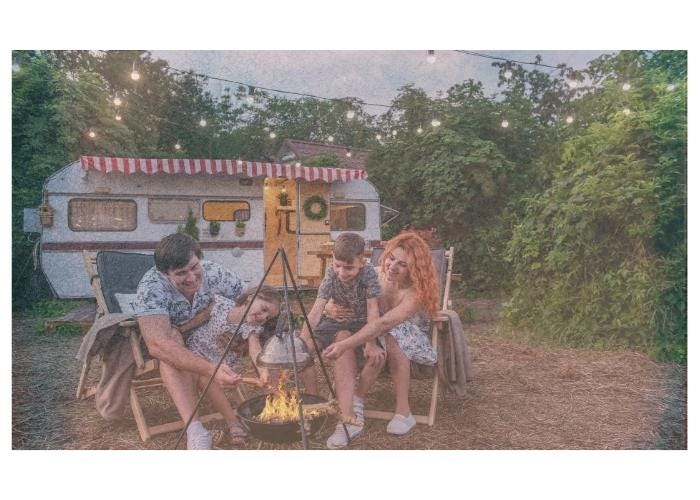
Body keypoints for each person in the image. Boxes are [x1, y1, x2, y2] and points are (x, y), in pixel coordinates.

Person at [134, 233, 245, 450]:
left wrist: (238, 331)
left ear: (199, 258)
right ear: (165, 274)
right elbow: (158, 344)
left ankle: (230, 422)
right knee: (171, 345)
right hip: (171, 340)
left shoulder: (215, 272)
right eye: (181, 273)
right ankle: (196, 433)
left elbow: (248, 299)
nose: (192, 277)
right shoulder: (151, 288)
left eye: (194, 267)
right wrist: (211, 369)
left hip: (206, 335)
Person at [323, 232, 439, 437]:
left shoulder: (415, 293)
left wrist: (346, 345)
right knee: (345, 331)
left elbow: (385, 323)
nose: (392, 266)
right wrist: (329, 307)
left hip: (408, 338)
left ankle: (403, 412)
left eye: (402, 264)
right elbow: (339, 295)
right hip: (372, 331)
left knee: (393, 335)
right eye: (391, 258)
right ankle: (354, 402)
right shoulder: (373, 274)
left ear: (414, 269)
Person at [298, 232, 383, 449]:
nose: (342, 272)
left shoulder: (369, 275)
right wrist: (299, 343)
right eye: (337, 266)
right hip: (333, 322)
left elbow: (374, 311)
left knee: (354, 347)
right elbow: (317, 310)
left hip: (361, 325)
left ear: (361, 261)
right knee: (304, 350)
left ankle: (348, 420)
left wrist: (371, 342)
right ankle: (313, 403)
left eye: (348, 267)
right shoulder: (331, 274)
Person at [185, 286, 281, 445]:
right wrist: (180, 330)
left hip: (219, 363)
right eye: (263, 309)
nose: (262, 317)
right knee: (203, 373)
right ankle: (233, 423)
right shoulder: (222, 305)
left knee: (205, 377)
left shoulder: (251, 328)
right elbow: (200, 318)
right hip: (194, 351)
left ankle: (233, 423)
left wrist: (263, 370)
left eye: (267, 317)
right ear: (251, 297)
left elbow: (255, 348)